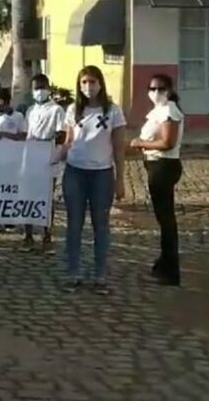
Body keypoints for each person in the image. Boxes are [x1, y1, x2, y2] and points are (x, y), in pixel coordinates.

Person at [61, 66, 126, 294]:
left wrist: (120, 180)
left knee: (101, 226)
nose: (89, 87)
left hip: (102, 174)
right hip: (75, 173)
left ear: (100, 84)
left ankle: (100, 275)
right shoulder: (73, 110)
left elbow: (119, 149)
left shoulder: (113, 111)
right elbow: (69, 141)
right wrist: (48, 157)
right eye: (84, 83)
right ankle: (73, 273)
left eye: (92, 82)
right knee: (74, 225)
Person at [129, 74, 184, 287]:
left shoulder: (169, 110)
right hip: (156, 165)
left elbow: (167, 142)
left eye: (161, 89)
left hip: (163, 165)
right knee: (164, 218)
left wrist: (140, 143)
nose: (156, 92)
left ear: (169, 90)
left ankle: (170, 270)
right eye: (152, 88)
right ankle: (164, 261)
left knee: (166, 219)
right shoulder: (159, 111)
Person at [22, 73, 66, 252]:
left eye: (42, 87)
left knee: (46, 198)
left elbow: (61, 134)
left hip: (48, 156)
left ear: (48, 89)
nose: (39, 91)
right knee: (28, 196)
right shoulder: (30, 111)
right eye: (36, 88)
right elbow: (25, 132)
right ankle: (28, 235)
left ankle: (47, 235)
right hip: (30, 156)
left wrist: (46, 140)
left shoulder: (56, 110)